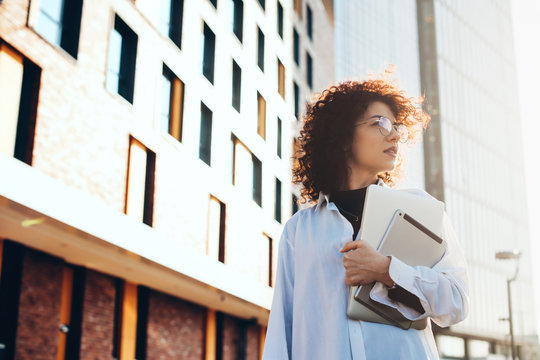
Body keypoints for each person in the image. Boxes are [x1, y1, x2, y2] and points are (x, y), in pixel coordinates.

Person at [262, 77, 469, 359]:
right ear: (343, 136)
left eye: (396, 127)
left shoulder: (421, 208)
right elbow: (281, 332)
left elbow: (456, 303)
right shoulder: (299, 231)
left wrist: (387, 270)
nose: (395, 135)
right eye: (380, 123)